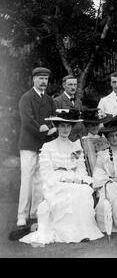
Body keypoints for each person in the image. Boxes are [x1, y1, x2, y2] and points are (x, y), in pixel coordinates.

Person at [19, 109, 104, 245]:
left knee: (82, 191)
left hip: (73, 178)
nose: (65, 129)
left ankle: (82, 232)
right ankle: (67, 233)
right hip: (55, 182)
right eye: (62, 126)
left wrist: (78, 179)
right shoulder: (48, 147)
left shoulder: (75, 146)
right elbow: (46, 173)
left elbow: (81, 169)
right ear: (57, 127)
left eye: (68, 126)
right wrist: (64, 179)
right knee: (69, 191)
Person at [17, 67, 56, 228]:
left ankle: (35, 212)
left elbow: (53, 118)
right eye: (40, 78)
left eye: (45, 79)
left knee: (40, 179)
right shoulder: (26, 97)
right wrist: (42, 128)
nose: (43, 82)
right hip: (29, 143)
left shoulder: (49, 99)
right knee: (27, 179)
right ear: (33, 80)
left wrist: (53, 127)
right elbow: (27, 120)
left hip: (44, 144)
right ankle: (22, 215)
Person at [53, 75, 85, 141]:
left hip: (80, 138)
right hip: (66, 139)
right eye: (70, 85)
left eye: (75, 85)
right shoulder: (57, 101)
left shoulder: (79, 102)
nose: (73, 87)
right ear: (64, 86)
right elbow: (55, 123)